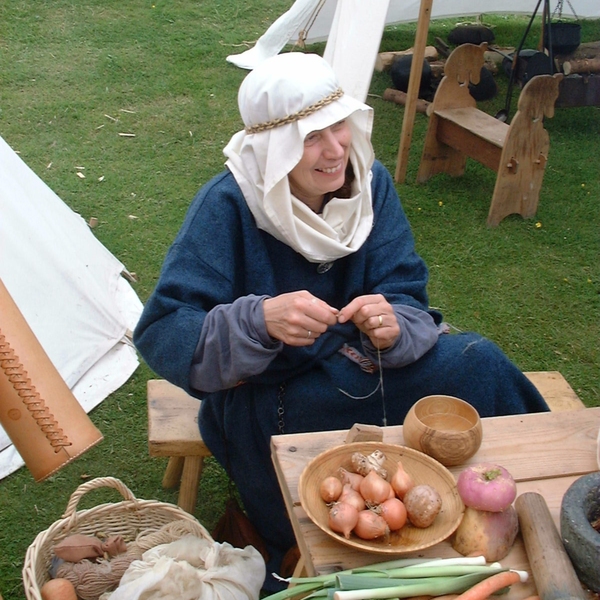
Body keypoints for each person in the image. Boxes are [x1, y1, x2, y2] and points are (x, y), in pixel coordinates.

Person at [133, 52, 549, 592]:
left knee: (480, 365)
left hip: (362, 362)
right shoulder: (229, 206)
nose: (336, 151)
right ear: (274, 148)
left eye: (340, 127)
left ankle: (547, 504)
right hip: (272, 388)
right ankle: (326, 549)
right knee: (299, 455)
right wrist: (258, 320)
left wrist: (394, 320)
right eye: (311, 138)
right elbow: (164, 329)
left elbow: (404, 285)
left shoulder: (368, 183)